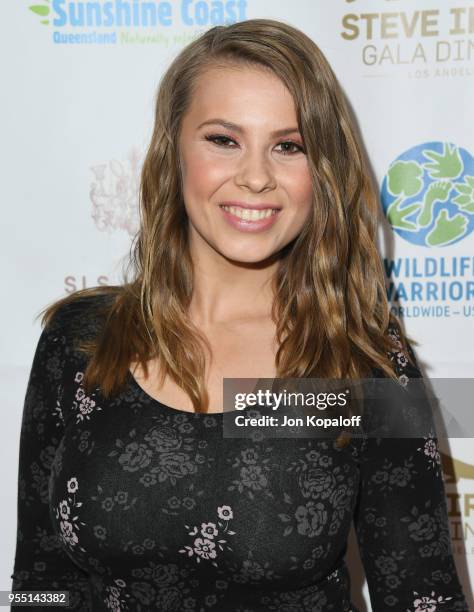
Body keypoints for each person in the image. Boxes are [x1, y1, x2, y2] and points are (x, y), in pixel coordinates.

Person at [10, 18, 469, 612]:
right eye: (223, 139)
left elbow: (422, 597)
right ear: (173, 150)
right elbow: (42, 580)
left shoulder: (358, 361)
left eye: (289, 146)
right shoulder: (81, 339)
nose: (255, 177)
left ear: (319, 172)